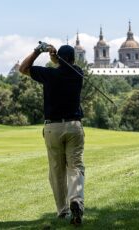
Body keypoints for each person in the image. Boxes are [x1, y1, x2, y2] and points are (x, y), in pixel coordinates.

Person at [19, 42, 85, 226]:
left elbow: (23, 68)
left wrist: (39, 50)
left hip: (53, 128)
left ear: (59, 59)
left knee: (56, 170)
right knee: (76, 166)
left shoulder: (49, 75)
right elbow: (64, 64)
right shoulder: (78, 73)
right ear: (73, 59)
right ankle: (77, 201)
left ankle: (63, 211)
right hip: (74, 126)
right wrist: (56, 56)